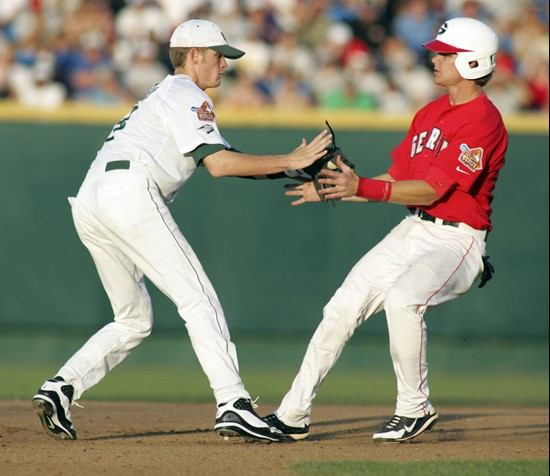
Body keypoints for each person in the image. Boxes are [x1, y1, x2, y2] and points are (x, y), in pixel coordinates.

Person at [32, 19, 332, 443]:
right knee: (199, 299)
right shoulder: (187, 93)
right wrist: (291, 158)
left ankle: (60, 388)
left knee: (133, 319)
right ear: (194, 56)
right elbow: (220, 165)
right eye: (218, 56)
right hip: (130, 194)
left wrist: (288, 165)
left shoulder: (165, 94)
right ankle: (233, 403)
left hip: (92, 199)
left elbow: (224, 156)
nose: (224, 65)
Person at [263, 17, 507, 443]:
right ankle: (292, 414)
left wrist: (362, 187)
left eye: (446, 53)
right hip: (413, 229)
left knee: (403, 299)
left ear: (471, 63)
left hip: (456, 240)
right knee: (341, 307)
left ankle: (414, 408)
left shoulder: (482, 120)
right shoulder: (430, 113)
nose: (435, 57)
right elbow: (394, 180)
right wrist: (336, 190)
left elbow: (431, 191)